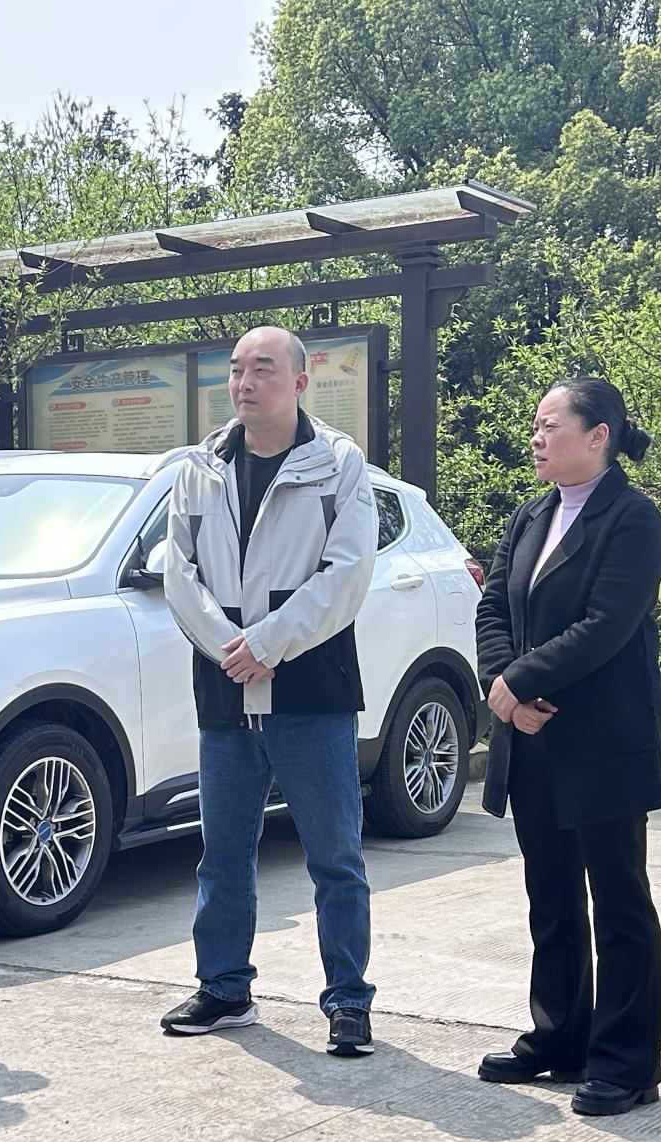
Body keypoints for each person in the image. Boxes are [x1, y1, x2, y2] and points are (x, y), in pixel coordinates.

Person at [158, 325, 380, 1054]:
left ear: (300, 382)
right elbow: (179, 573)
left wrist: (268, 642)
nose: (244, 382)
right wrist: (230, 646)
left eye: (262, 369)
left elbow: (345, 576)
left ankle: (348, 1000)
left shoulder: (338, 464)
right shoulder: (200, 468)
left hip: (309, 689)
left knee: (334, 858)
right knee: (222, 855)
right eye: (235, 370)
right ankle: (224, 988)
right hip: (226, 687)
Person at [473, 378, 661, 1116]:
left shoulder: (633, 518)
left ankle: (626, 1063)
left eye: (550, 425)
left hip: (601, 740)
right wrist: (502, 683)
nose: (536, 438)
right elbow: (493, 605)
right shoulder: (532, 514)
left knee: (619, 903)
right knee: (551, 897)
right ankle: (560, 1037)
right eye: (535, 425)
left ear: (599, 436)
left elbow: (605, 624)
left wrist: (518, 682)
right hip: (533, 739)